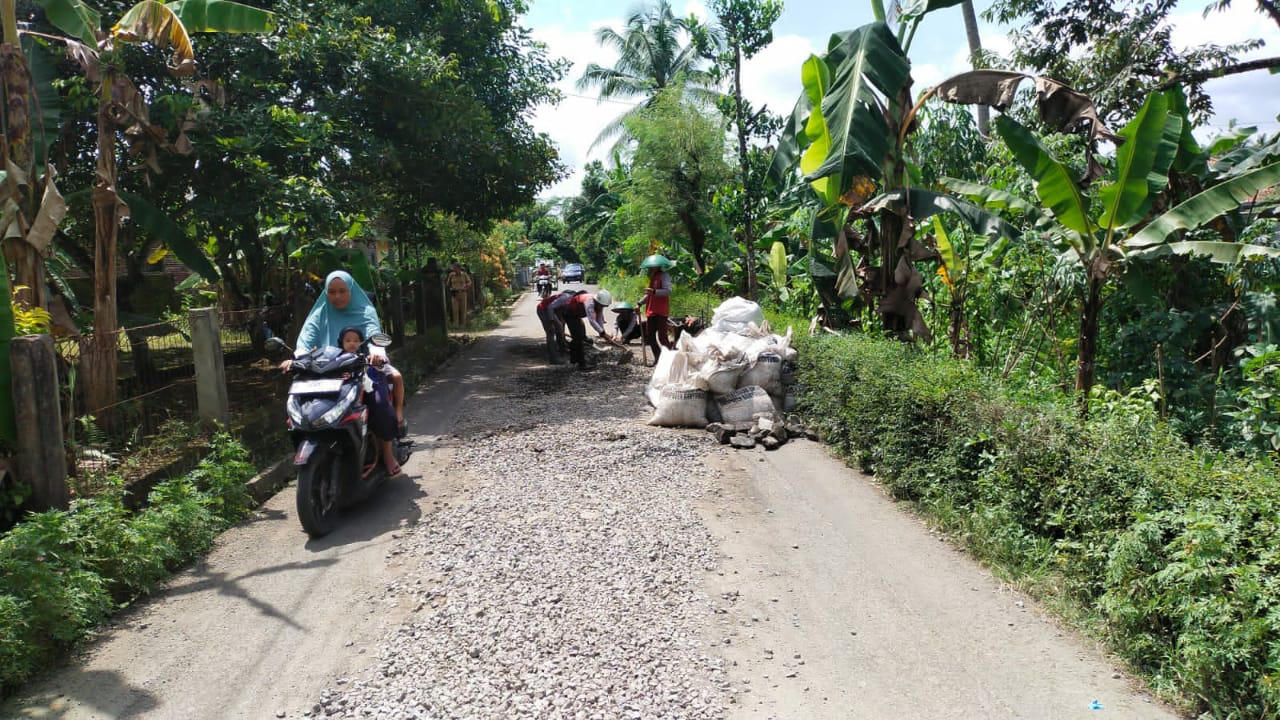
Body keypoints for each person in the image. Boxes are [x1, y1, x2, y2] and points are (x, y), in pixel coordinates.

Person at [280, 270, 404, 476]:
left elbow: (374, 334)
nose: (337, 296)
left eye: (342, 291)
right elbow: (305, 341)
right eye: (332, 292)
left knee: (380, 404)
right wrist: (296, 359)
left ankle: (387, 452)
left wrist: (376, 354)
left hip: (362, 367)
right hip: (324, 370)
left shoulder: (365, 311)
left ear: (351, 291)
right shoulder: (320, 313)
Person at [337, 326, 403, 475]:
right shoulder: (334, 359)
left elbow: (381, 363)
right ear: (341, 342)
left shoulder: (367, 357)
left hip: (367, 386)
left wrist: (377, 359)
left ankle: (387, 453)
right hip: (343, 391)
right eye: (348, 340)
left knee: (381, 405)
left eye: (356, 340)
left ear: (361, 343)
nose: (352, 343)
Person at [549, 289, 611, 369]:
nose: (602, 307)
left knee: (581, 336)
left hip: (577, 315)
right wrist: (602, 333)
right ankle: (581, 364)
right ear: (597, 301)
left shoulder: (599, 304)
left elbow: (599, 318)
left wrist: (603, 332)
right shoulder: (590, 302)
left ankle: (573, 360)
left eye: (603, 306)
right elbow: (592, 320)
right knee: (578, 338)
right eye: (601, 305)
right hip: (569, 313)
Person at [636, 254, 674, 361]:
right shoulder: (653, 276)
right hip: (651, 310)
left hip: (661, 311)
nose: (652, 268)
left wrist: (654, 291)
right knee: (650, 336)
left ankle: (669, 358)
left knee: (662, 338)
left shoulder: (664, 275)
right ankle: (658, 357)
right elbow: (649, 294)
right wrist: (639, 303)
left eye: (654, 266)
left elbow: (668, 291)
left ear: (659, 266)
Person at [535, 290, 571, 363]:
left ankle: (562, 350)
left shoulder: (568, 301)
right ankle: (553, 358)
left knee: (559, 328)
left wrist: (561, 327)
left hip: (551, 310)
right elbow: (550, 307)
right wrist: (551, 322)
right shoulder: (565, 298)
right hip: (543, 309)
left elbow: (559, 313)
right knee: (551, 332)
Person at [446, 261, 472, 327]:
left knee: (463, 309)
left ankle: (463, 324)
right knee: (455, 310)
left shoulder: (464, 274)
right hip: (454, 294)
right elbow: (448, 284)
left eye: (455, 268)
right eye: (453, 268)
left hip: (462, 293)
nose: (454, 269)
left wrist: (467, 285)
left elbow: (469, 282)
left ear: (459, 268)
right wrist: (450, 288)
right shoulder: (451, 275)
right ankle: (456, 325)